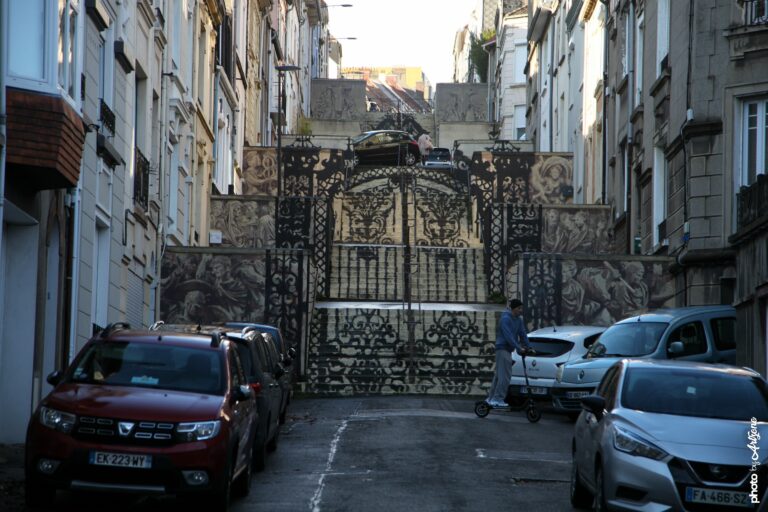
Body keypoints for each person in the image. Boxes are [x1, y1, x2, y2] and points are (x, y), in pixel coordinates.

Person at [487, 298, 532, 407]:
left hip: (508, 350)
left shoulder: (519, 320)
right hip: (502, 349)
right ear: (513, 308)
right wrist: (518, 347)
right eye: (518, 308)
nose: (520, 310)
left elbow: (522, 333)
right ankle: (497, 399)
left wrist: (528, 346)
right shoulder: (505, 319)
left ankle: (490, 399)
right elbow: (508, 336)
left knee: (498, 376)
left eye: (521, 308)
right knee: (505, 376)